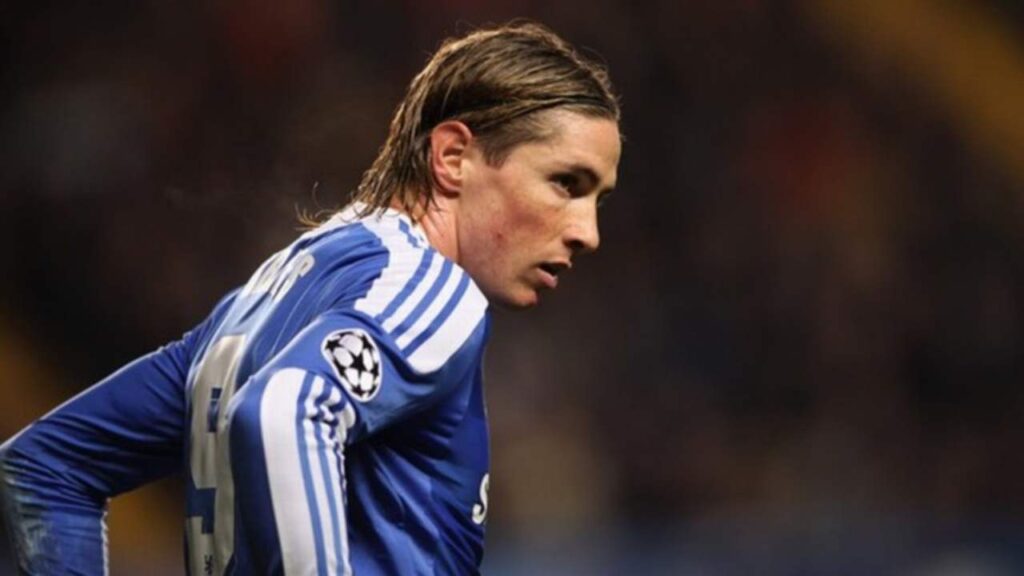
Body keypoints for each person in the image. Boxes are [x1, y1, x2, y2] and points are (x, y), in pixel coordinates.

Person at [0, 21, 621, 575]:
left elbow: (47, 469)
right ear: (453, 157)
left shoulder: (252, 306)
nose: (587, 232)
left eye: (599, 198)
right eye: (565, 183)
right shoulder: (431, 288)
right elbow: (286, 410)